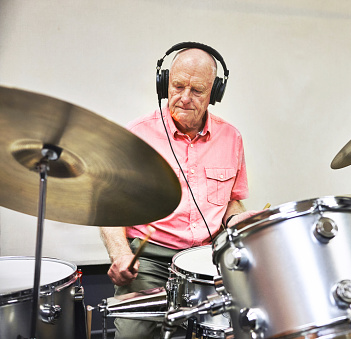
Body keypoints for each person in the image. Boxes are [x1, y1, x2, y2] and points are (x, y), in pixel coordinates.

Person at [100, 44, 259, 339]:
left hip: (207, 258)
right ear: (164, 83)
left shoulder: (231, 137)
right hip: (149, 259)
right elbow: (110, 208)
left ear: (215, 93)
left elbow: (231, 202)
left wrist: (242, 222)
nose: (184, 98)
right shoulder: (136, 135)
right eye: (177, 86)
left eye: (197, 90)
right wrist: (120, 253)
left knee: (239, 329)